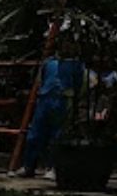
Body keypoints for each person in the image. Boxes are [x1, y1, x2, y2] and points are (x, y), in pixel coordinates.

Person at [17, 45, 87, 179]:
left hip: (63, 100)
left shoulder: (77, 65)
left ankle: (53, 167)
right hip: (44, 99)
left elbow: (79, 86)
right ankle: (28, 166)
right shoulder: (48, 62)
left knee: (57, 136)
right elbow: (40, 79)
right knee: (34, 135)